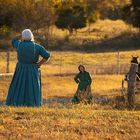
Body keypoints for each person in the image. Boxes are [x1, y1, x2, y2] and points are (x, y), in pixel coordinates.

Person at [6, 29, 50, 107]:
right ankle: (33, 104)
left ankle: (17, 103)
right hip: (32, 69)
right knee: (32, 87)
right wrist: (39, 64)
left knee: (19, 86)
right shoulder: (37, 46)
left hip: (21, 68)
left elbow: (13, 41)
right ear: (31, 36)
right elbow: (47, 55)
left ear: (23, 37)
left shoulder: (19, 44)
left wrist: (21, 35)